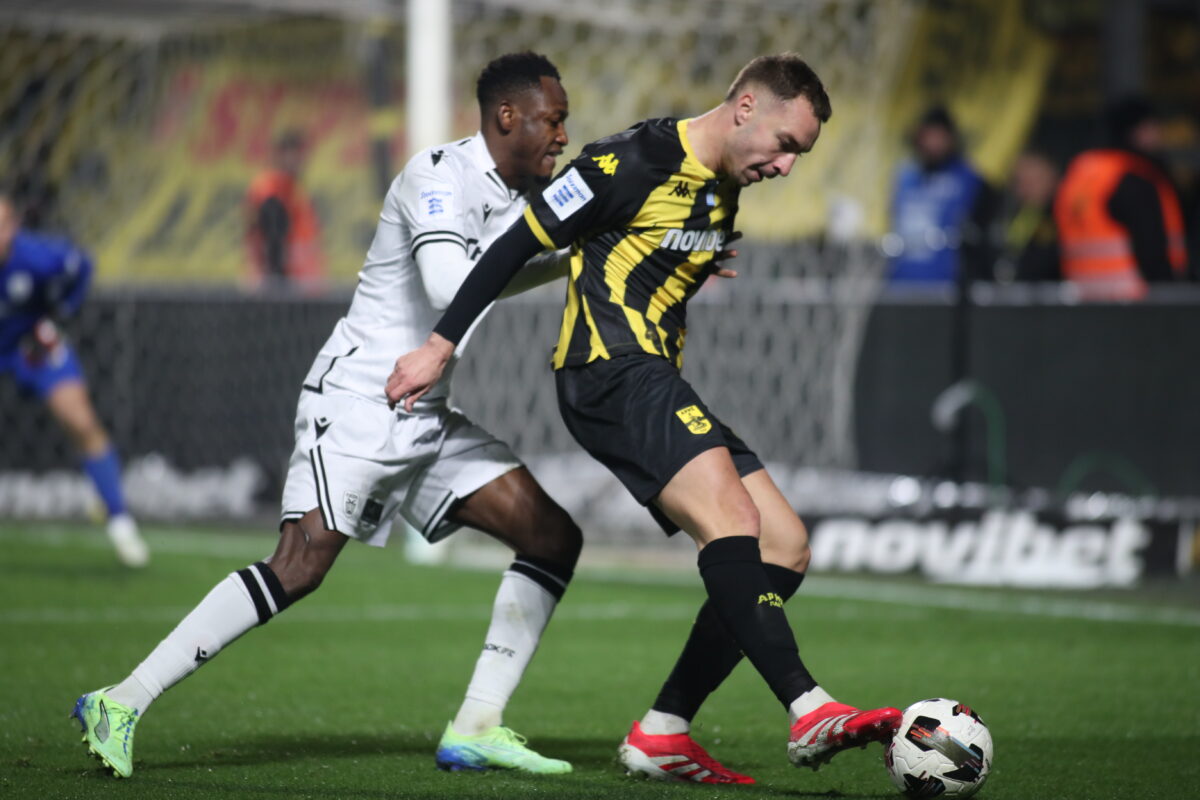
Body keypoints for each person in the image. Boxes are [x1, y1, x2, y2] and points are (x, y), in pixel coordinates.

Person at [386, 53, 901, 785]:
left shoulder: (723, 187)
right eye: (786, 145)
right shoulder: (627, 161)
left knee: (784, 547)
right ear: (746, 109)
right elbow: (515, 244)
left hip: (655, 375)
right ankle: (809, 707)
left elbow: (646, 243)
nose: (787, 167)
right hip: (609, 371)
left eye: (799, 156)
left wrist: (692, 260)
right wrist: (439, 346)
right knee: (733, 522)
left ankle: (664, 730)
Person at [71, 52, 583, 779]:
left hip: (425, 412)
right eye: (553, 119)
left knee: (551, 536)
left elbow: (490, 278)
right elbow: (449, 286)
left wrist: (568, 258)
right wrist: (555, 248)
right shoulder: (438, 176)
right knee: (299, 565)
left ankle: (477, 725)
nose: (563, 135)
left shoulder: (517, 195)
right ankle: (120, 700)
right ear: (508, 116)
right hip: (362, 401)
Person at [0, 193, 147, 568]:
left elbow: (81, 265)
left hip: (31, 346)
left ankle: (120, 521)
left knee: (81, 422)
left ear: (13, 227)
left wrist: (59, 313)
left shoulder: (38, 257)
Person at [1054, 96, 1189, 300]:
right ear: (1137, 131)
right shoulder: (1132, 177)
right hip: (1137, 302)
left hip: (1084, 300)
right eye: (1153, 127)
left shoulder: (1080, 174)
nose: (1159, 136)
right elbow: (1152, 250)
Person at [886, 106, 988, 284]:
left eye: (939, 137)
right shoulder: (904, 176)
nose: (933, 144)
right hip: (901, 281)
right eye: (928, 136)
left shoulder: (968, 178)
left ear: (951, 138)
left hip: (945, 284)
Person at [245, 130, 327, 292]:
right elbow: (272, 240)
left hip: (301, 286)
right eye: (292, 153)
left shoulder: (296, 190)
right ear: (280, 155)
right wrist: (276, 281)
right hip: (283, 287)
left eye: (300, 154)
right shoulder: (271, 189)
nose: (298, 161)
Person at [976, 149, 1061, 284]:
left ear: (1051, 180)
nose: (1025, 189)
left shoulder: (1060, 216)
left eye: (1033, 182)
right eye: (1020, 182)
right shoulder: (1004, 214)